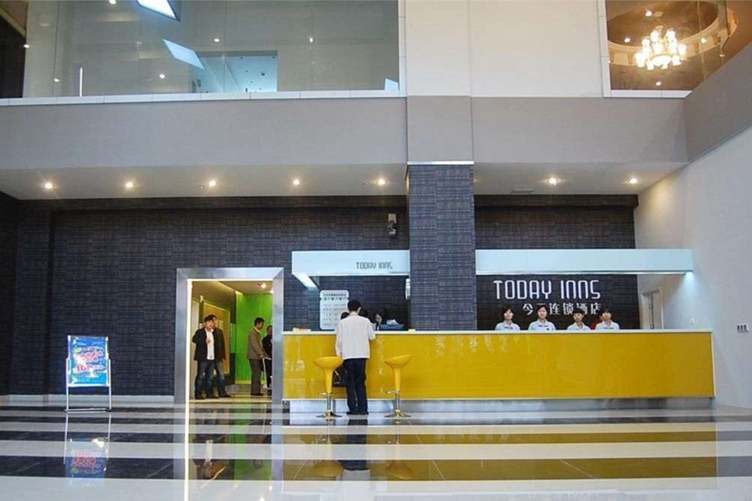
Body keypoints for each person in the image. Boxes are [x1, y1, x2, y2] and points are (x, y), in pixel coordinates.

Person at [336, 299, 376, 416]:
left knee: (350, 383)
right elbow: (372, 337)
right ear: (359, 309)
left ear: (348, 309)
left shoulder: (342, 322)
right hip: (362, 355)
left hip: (348, 356)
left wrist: (339, 355)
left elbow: (339, 341)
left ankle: (353, 409)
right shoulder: (365, 321)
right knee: (360, 382)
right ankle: (363, 409)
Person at [192, 315, 218, 400]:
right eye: (209, 322)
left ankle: (209, 393)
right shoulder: (200, 332)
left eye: (212, 322)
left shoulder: (214, 332)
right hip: (203, 357)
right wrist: (204, 341)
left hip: (211, 357)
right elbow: (194, 339)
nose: (211, 324)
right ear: (205, 323)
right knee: (200, 376)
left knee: (210, 377)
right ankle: (198, 393)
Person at [206, 314, 230, 398]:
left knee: (221, 375)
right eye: (212, 320)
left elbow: (222, 344)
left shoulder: (219, 331)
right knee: (210, 375)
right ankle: (210, 393)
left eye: (215, 320)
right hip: (210, 357)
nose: (214, 322)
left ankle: (222, 392)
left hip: (218, 357)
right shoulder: (207, 331)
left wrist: (223, 355)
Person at [247, 317, 266, 397]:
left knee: (257, 373)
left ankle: (256, 390)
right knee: (256, 373)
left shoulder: (257, 333)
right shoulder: (252, 333)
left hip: (257, 357)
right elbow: (255, 345)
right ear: (257, 323)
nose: (262, 326)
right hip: (254, 356)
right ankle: (255, 391)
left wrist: (263, 353)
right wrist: (260, 353)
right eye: (261, 324)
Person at [262, 325, 273, 396]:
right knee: (268, 373)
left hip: (275, 359)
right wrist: (266, 355)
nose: (271, 331)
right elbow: (263, 348)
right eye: (269, 330)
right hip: (268, 358)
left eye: (272, 330)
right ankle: (269, 388)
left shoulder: (277, 338)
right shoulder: (265, 339)